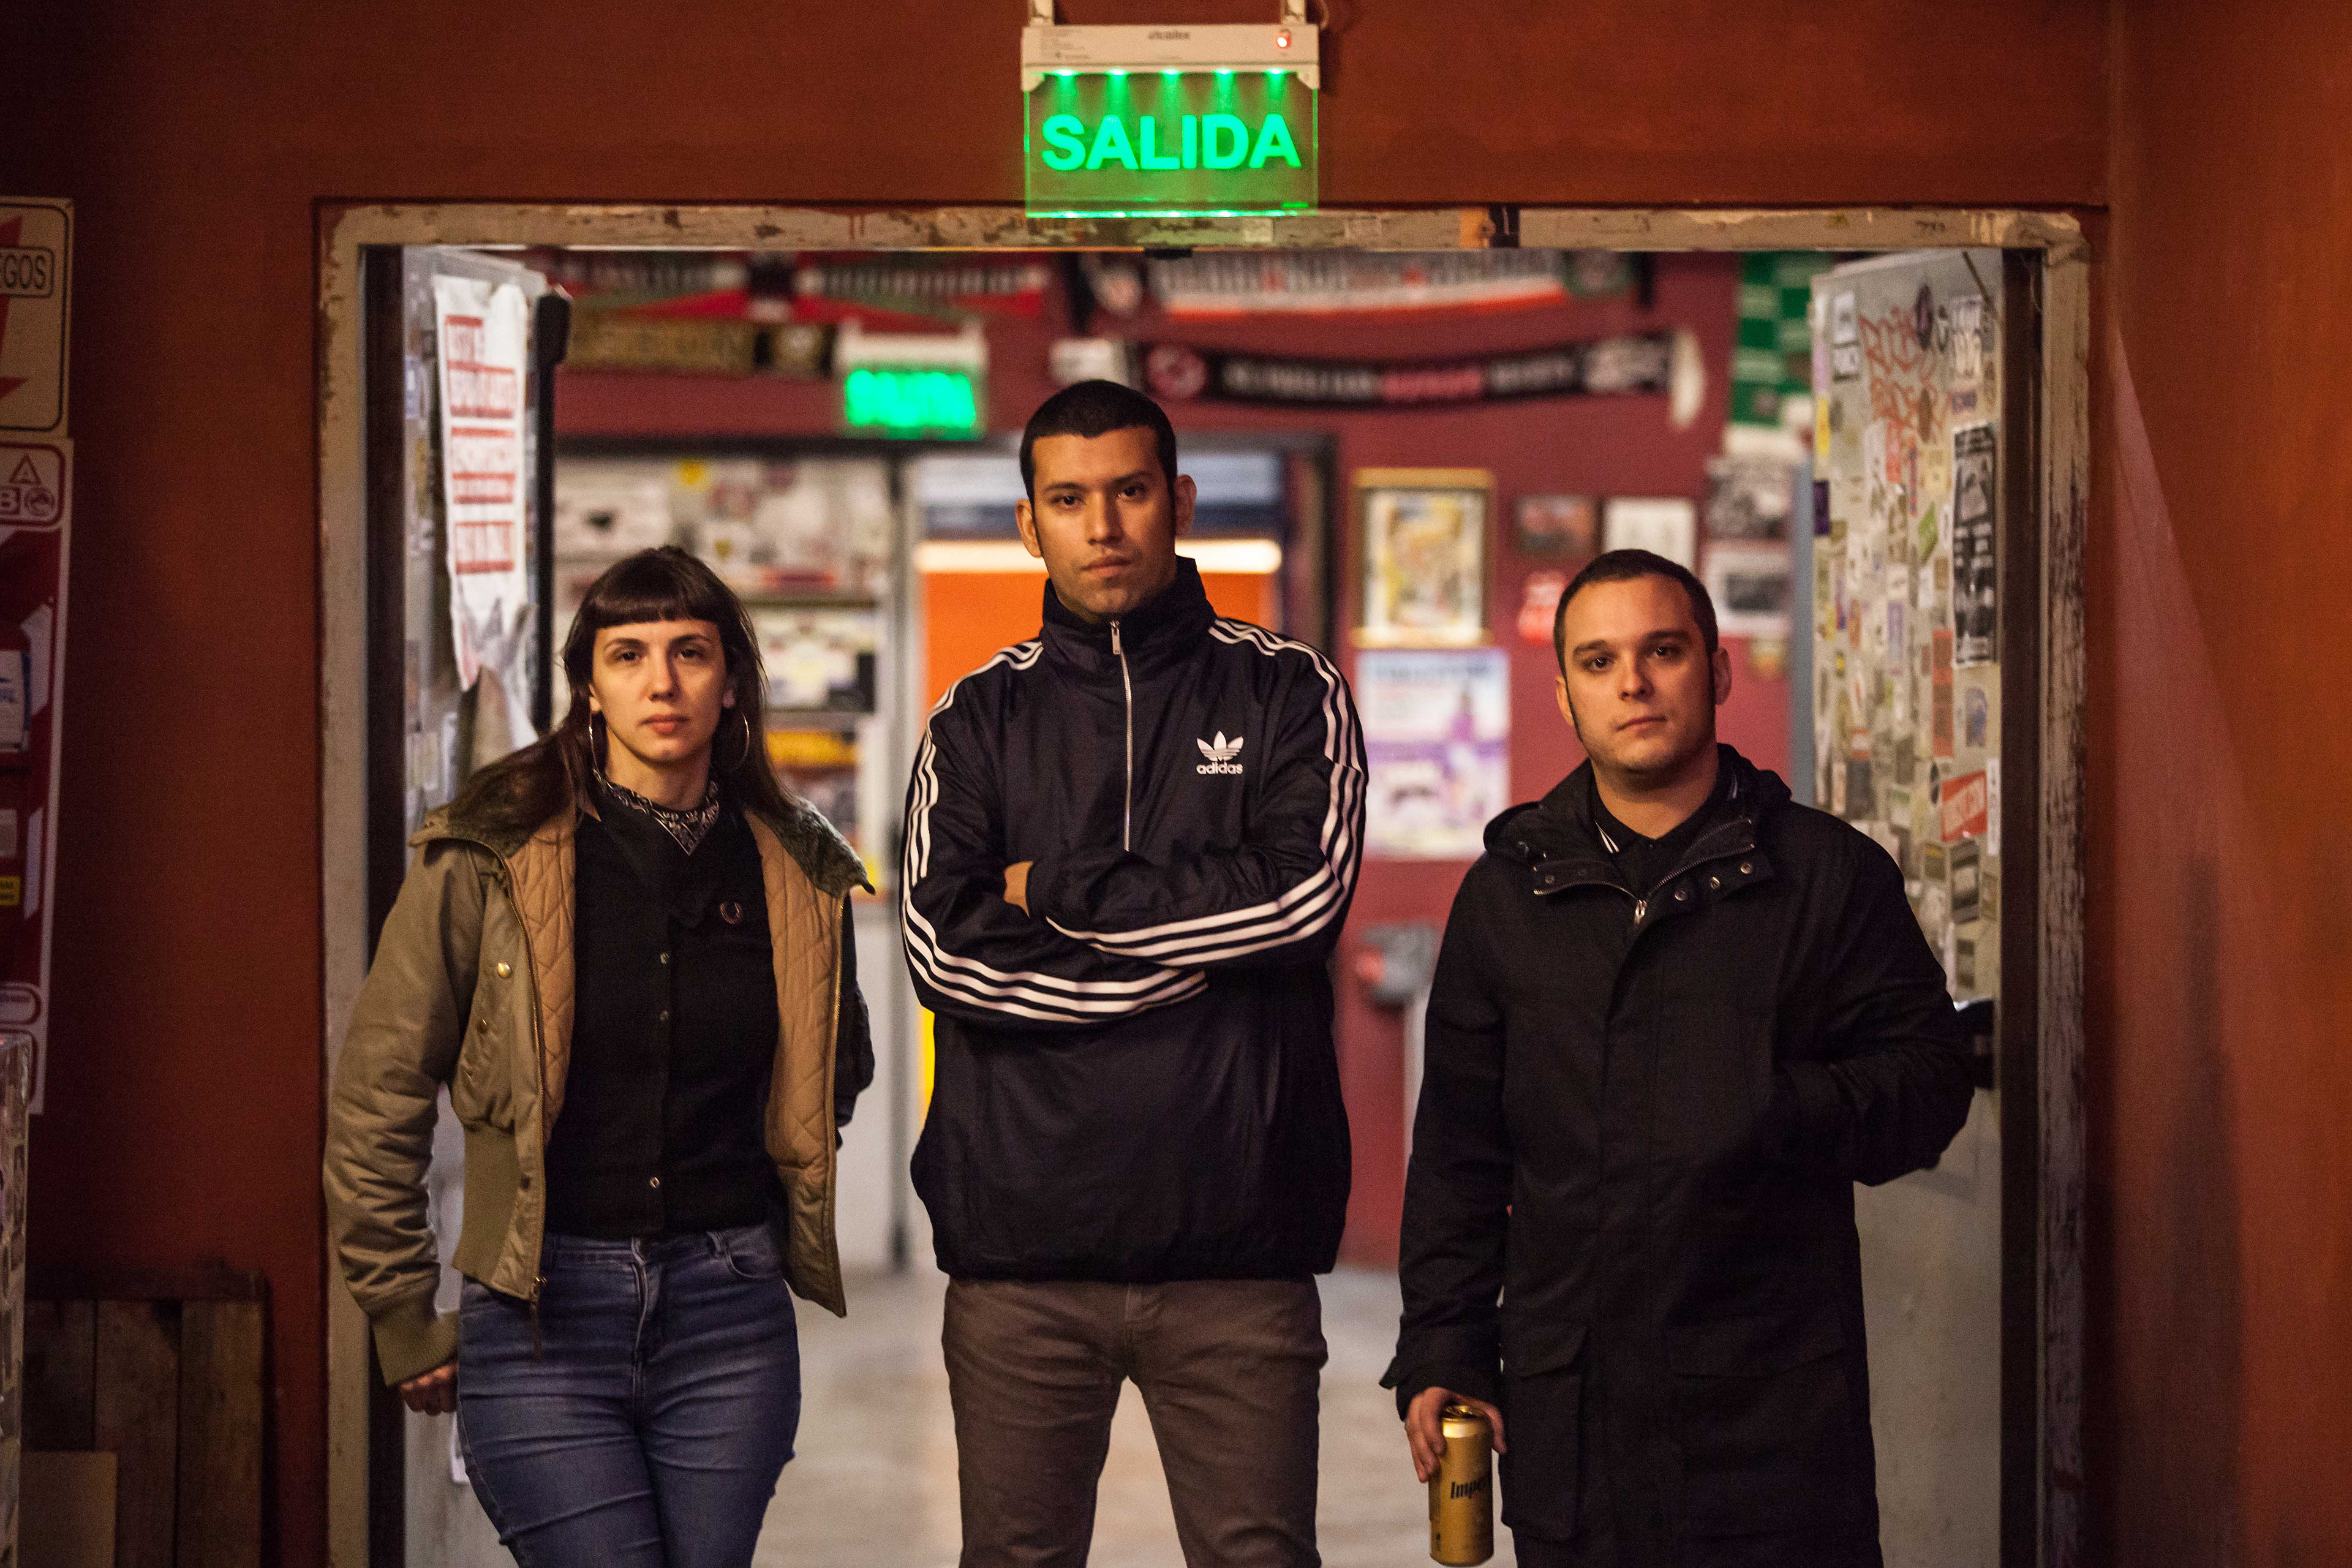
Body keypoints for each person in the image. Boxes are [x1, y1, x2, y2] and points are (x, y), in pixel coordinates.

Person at [1385, 549, 1973, 1568]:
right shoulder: (1509, 895)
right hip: (1574, 1417)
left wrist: (1770, 1106)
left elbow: (1930, 1082)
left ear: (1717, 669)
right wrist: (1444, 1342)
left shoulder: (1824, 875)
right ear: (1566, 694)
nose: (1634, 683)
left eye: (1662, 651)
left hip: (1773, 1420)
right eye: (1599, 660)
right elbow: (1458, 1153)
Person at [325, 547, 873, 1568]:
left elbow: (836, 1068)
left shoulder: (797, 864)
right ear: (590, 686)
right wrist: (400, 1307)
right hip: (543, 1313)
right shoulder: (491, 850)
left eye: (690, 653)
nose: (662, 683)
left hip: (728, 1315)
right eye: (629, 655)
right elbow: (379, 1090)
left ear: (732, 682)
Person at [902, 381, 1365, 1568]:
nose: (1102, 525)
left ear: (1180, 502)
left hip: (1238, 1249)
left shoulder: (1288, 690)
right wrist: (1188, 965)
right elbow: (944, 951)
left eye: (1130, 492)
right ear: (1029, 525)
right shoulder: (975, 720)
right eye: (1068, 500)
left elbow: (1299, 900)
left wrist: (1056, 889)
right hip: (1022, 1259)